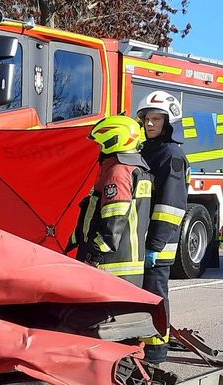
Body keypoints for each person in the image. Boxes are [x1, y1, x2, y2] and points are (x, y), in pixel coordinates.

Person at [136, 90, 189, 363]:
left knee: (155, 296)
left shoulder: (171, 155)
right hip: (144, 241)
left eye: (156, 118)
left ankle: (156, 353)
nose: (149, 124)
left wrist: (154, 246)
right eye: (146, 118)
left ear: (169, 122)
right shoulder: (147, 150)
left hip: (158, 245)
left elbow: (170, 205)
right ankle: (142, 346)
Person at [70, 115, 152, 287]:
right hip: (126, 265)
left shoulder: (118, 172)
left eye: (101, 143)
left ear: (113, 141)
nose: (99, 148)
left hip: (110, 267)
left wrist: (93, 257)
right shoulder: (135, 170)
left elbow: (114, 223)